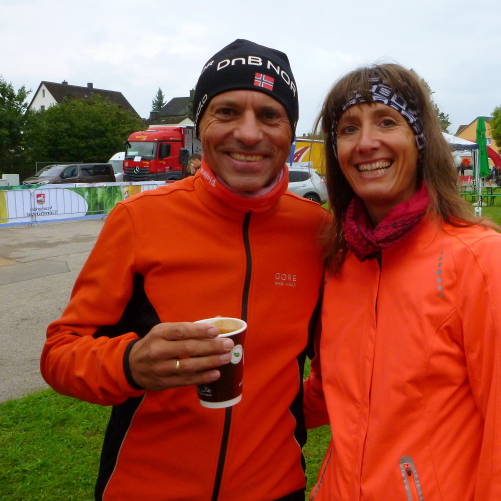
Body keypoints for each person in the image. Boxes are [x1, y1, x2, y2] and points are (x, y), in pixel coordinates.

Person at [41, 39, 328, 501]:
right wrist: (130, 364)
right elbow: (59, 354)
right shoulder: (138, 220)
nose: (248, 133)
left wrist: (280, 417)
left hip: (276, 489)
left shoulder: (317, 231)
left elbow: (344, 365)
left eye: (269, 115)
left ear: (290, 133)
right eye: (227, 112)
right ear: (199, 128)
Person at [304, 63, 501, 500]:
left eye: (386, 121)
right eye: (348, 128)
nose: (366, 143)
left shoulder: (482, 259)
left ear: (420, 140)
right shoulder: (340, 262)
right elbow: (330, 393)